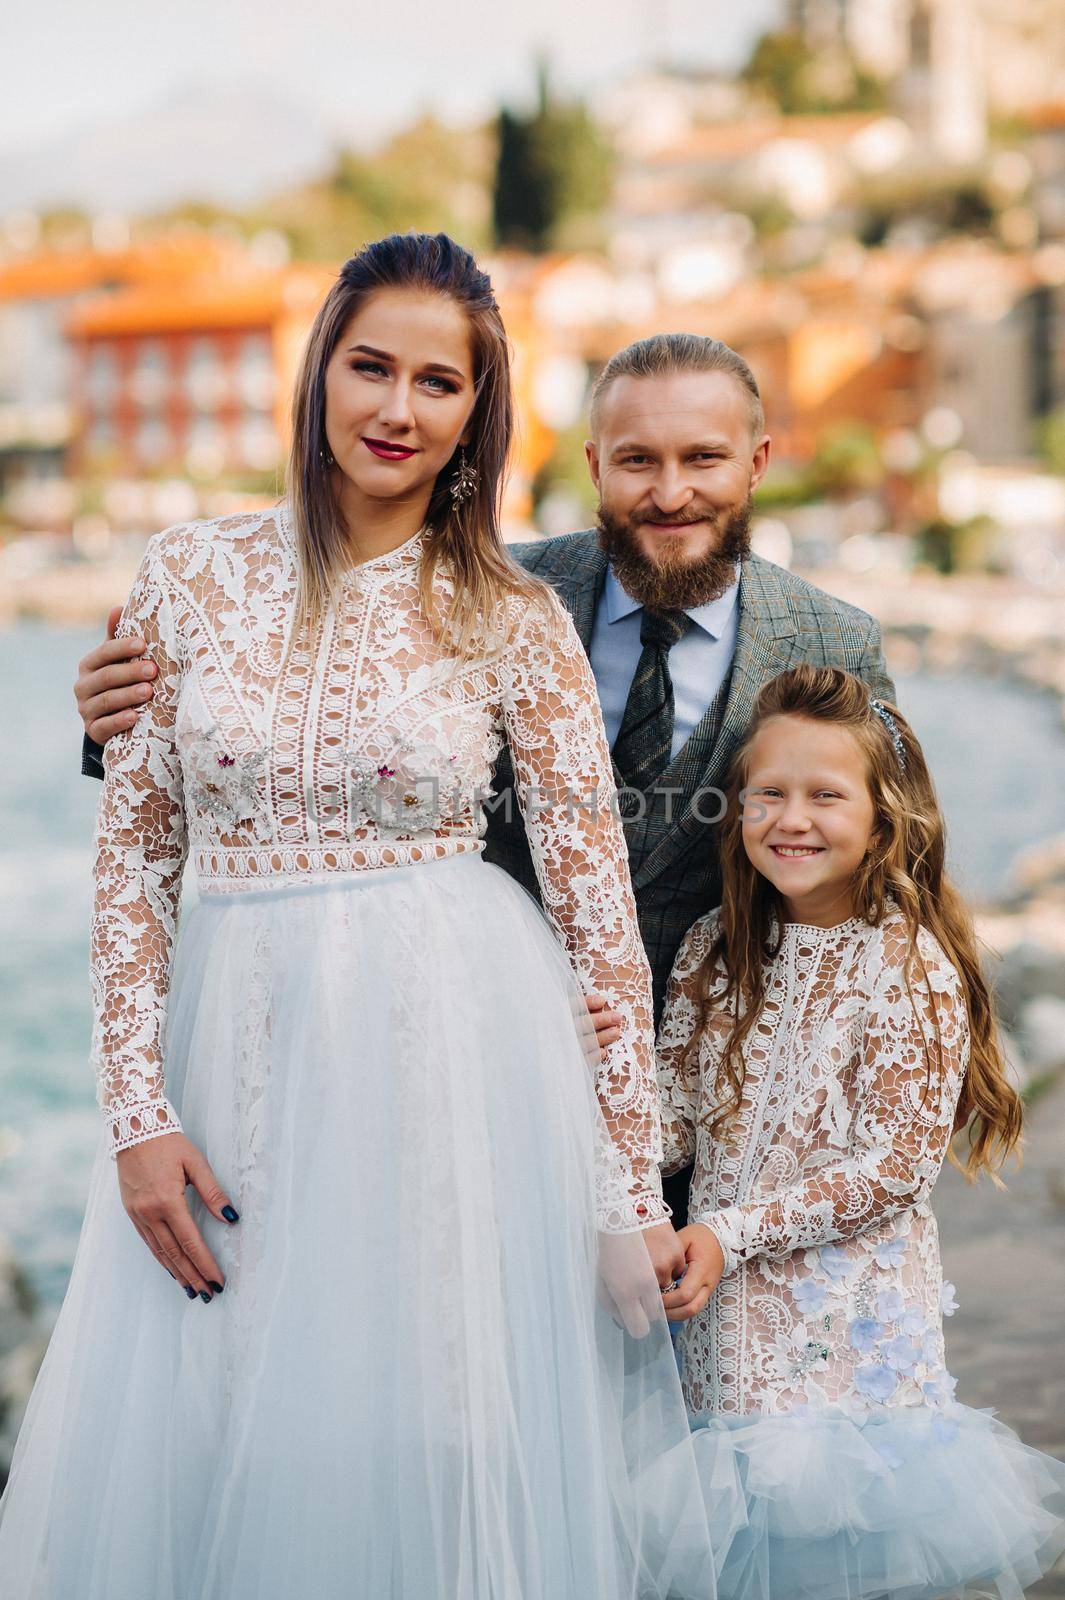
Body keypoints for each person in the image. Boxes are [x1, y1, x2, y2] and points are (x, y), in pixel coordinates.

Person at [0, 234, 721, 1600]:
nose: (397, 408)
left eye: (437, 382)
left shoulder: (511, 617)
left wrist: (628, 1189)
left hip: (447, 1051)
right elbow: (136, 860)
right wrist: (136, 1117)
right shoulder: (186, 574)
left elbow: (598, 918)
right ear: (318, 371)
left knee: (427, 1421)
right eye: (370, 365)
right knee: (218, 1424)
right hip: (237, 1044)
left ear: (475, 412)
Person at [74, 331, 897, 1228]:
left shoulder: (832, 640)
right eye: (636, 460)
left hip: (737, 1113)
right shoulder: (495, 588)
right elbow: (321, 736)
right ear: (593, 466)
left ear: (758, 462)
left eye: (703, 458)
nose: (670, 492)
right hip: (477, 1083)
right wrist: (115, 721)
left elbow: (887, 862)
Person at [653, 664, 1065, 1600]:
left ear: (885, 816)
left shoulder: (905, 959)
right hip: (718, 1337)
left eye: (824, 796)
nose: (791, 818)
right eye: (768, 793)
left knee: (833, 1563)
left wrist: (728, 1232)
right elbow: (671, 1123)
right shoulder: (713, 948)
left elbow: (893, 1164)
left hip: (839, 1347)